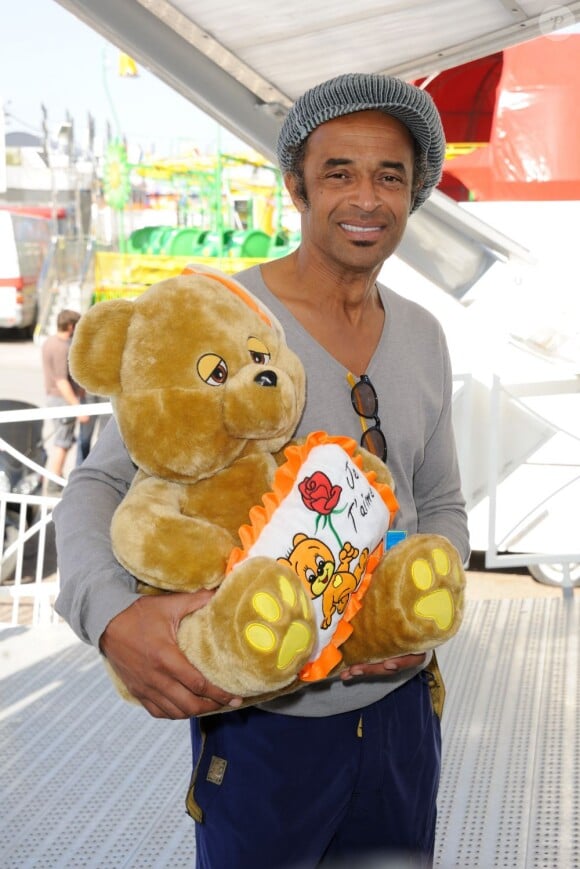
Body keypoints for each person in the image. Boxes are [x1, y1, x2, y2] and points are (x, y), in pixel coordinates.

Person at [54, 73, 470, 868]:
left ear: (414, 192)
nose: (366, 197)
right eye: (339, 171)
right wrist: (108, 617)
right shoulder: (219, 316)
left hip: (402, 718)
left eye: (390, 175)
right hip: (262, 729)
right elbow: (98, 485)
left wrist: (427, 606)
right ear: (296, 186)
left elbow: (441, 499)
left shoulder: (424, 335)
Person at [41, 309, 88, 491]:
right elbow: (61, 381)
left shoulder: (49, 342)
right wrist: (78, 408)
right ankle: (54, 482)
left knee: (63, 439)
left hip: (53, 398)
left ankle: (55, 477)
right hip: (62, 400)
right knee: (63, 441)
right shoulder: (62, 347)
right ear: (70, 326)